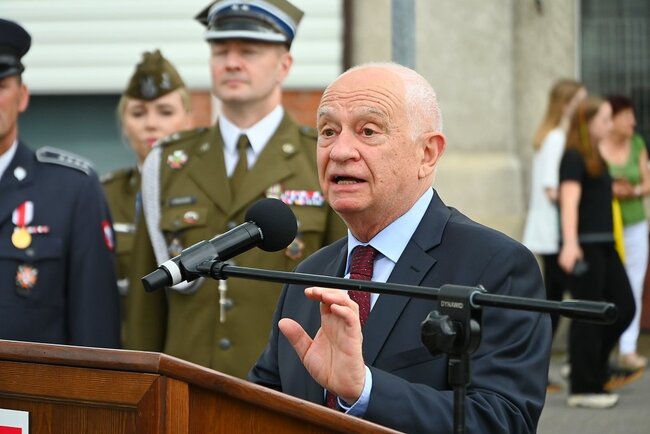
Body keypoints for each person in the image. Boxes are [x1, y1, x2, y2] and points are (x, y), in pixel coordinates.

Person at [249, 63, 551, 433]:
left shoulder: (496, 265)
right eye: (328, 131)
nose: (340, 151)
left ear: (427, 153)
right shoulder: (309, 275)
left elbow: (503, 420)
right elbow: (259, 405)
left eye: (368, 131)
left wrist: (366, 390)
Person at [124, 0, 347, 378]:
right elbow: (145, 307)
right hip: (186, 386)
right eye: (220, 51)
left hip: (284, 387)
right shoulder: (169, 162)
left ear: (284, 65)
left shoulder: (320, 158)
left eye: (249, 51)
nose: (231, 63)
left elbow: (342, 285)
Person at [0, 19, 120, 347]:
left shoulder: (72, 189)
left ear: (22, 96)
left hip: (28, 382)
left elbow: (95, 329)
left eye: (0, 86)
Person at [102, 50, 193, 339]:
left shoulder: (206, 194)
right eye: (138, 113)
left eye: (165, 112)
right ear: (123, 123)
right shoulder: (105, 195)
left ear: (188, 119)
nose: (151, 124)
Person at [558, 96, 636, 408]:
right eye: (604, 119)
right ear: (587, 123)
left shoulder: (594, 155)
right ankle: (583, 387)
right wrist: (570, 243)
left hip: (604, 244)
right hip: (585, 245)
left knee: (624, 307)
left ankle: (587, 366)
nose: (609, 124)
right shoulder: (573, 156)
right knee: (588, 316)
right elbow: (569, 202)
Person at [522, 79, 586, 392]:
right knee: (558, 304)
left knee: (553, 302)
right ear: (567, 104)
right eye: (580, 101)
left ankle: (540, 370)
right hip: (553, 233)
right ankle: (547, 369)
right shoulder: (557, 138)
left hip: (550, 232)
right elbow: (551, 189)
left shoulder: (551, 136)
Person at [599, 95, 650, 371]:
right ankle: (603, 351)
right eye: (628, 116)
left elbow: (647, 181)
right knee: (609, 285)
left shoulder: (637, 143)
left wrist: (635, 191)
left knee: (634, 283)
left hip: (635, 222)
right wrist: (612, 190)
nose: (633, 121)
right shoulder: (598, 144)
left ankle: (628, 349)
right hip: (608, 226)